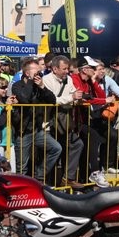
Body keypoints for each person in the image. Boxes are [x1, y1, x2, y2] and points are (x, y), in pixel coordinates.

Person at [11, 58, 62, 184]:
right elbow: (25, 100)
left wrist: (42, 86)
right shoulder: (17, 86)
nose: (39, 74)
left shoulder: (39, 85)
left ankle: (38, 177)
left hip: (37, 129)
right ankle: (20, 191)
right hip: (23, 130)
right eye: (36, 71)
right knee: (21, 166)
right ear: (27, 73)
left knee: (56, 148)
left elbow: (52, 100)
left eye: (40, 71)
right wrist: (30, 82)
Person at [41, 55, 85, 187]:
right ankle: (44, 182)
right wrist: (71, 97)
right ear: (55, 69)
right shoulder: (46, 81)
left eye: (68, 69)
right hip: (49, 123)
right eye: (64, 69)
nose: (67, 71)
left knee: (77, 144)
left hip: (64, 121)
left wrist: (77, 98)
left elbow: (72, 95)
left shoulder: (69, 79)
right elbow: (53, 100)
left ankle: (69, 178)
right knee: (54, 151)